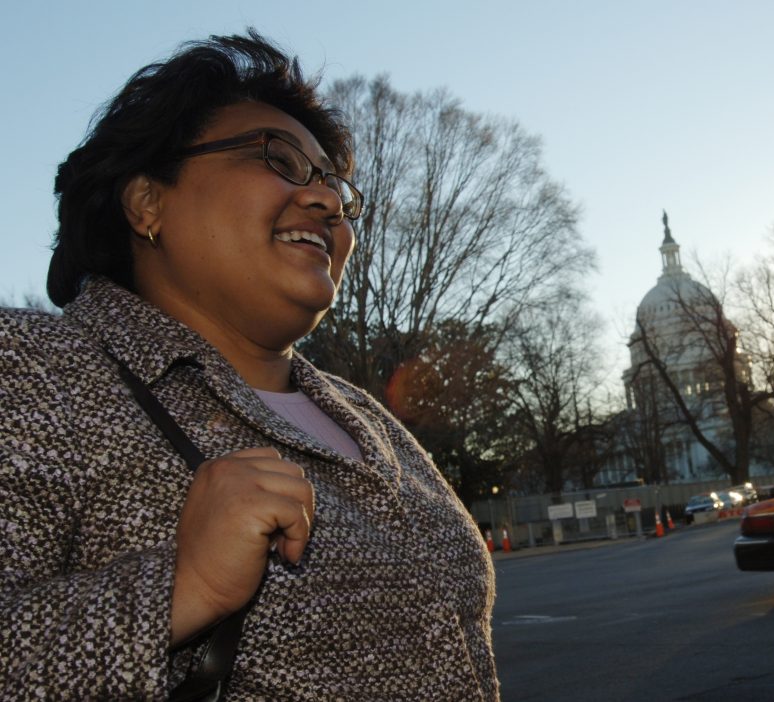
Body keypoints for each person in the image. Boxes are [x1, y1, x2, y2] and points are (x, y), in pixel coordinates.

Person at [0, 32, 498, 699]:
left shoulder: (374, 421)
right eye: (279, 159)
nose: (326, 203)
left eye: (336, 190)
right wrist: (182, 589)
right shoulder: (35, 367)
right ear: (148, 201)